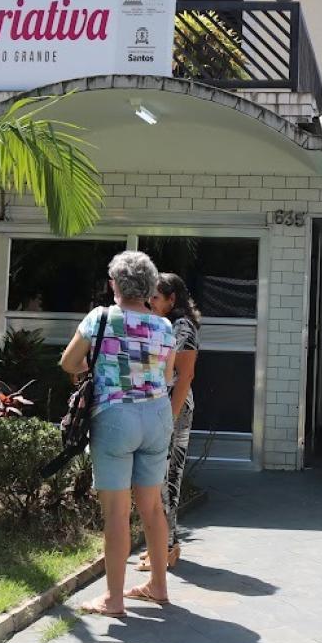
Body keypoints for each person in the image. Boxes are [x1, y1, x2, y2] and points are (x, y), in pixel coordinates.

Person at [61, 251, 177, 617]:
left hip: (115, 417)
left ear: (115, 284)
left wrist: (94, 369)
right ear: (149, 286)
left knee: (116, 514)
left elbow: (68, 362)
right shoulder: (165, 326)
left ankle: (113, 600)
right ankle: (158, 585)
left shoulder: (101, 317)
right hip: (157, 417)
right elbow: (168, 375)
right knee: (153, 507)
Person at [140, 272, 200, 573]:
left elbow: (185, 377)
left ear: (171, 299)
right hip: (161, 407)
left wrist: (170, 417)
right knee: (161, 479)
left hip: (174, 409)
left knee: (166, 479)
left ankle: (164, 548)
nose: (150, 301)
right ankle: (166, 544)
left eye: (155, 297)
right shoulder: (164, 325)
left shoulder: (183, 327)